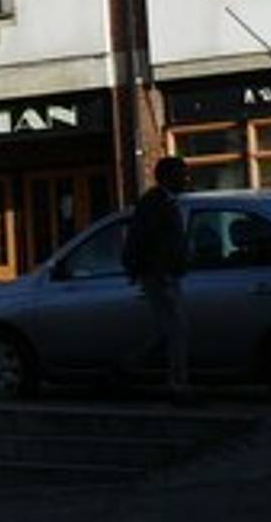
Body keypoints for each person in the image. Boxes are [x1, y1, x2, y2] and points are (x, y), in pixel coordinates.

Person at [123, 155, 196, 403]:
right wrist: (158, 271)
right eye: (182, 175)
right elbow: (144, 240)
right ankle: (178, 385)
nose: (186, 180)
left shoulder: (167, 203)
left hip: (168, 274)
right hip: (161, 276)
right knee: (177, 330)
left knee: (167, 331)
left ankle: (128, 369)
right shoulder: (155, 203)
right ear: (167, 177)